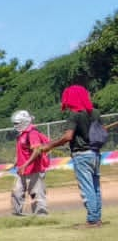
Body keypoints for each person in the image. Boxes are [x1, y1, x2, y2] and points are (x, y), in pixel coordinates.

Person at [33, 85, 107, 227]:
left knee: (87, 188)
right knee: (95, 187)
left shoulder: (74, 115)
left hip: (82, 155)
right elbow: (101, 132)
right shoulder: (96, 113)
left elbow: (68, 137)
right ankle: (97, 218)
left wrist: (49, 145)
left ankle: (92, 220)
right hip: (95, 154)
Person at [10, 110, 49, 216]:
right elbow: (22, 150)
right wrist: (17, 161)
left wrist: (25, 164)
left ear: (24, 122)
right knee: (17, 192)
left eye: (17, 123)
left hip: (34, 170)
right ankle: (16, 215)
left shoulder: (32, 133)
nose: (15, 126)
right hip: (22, 170)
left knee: (36, 193)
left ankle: (41, 216)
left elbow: (36, 150)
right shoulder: (21, 135)